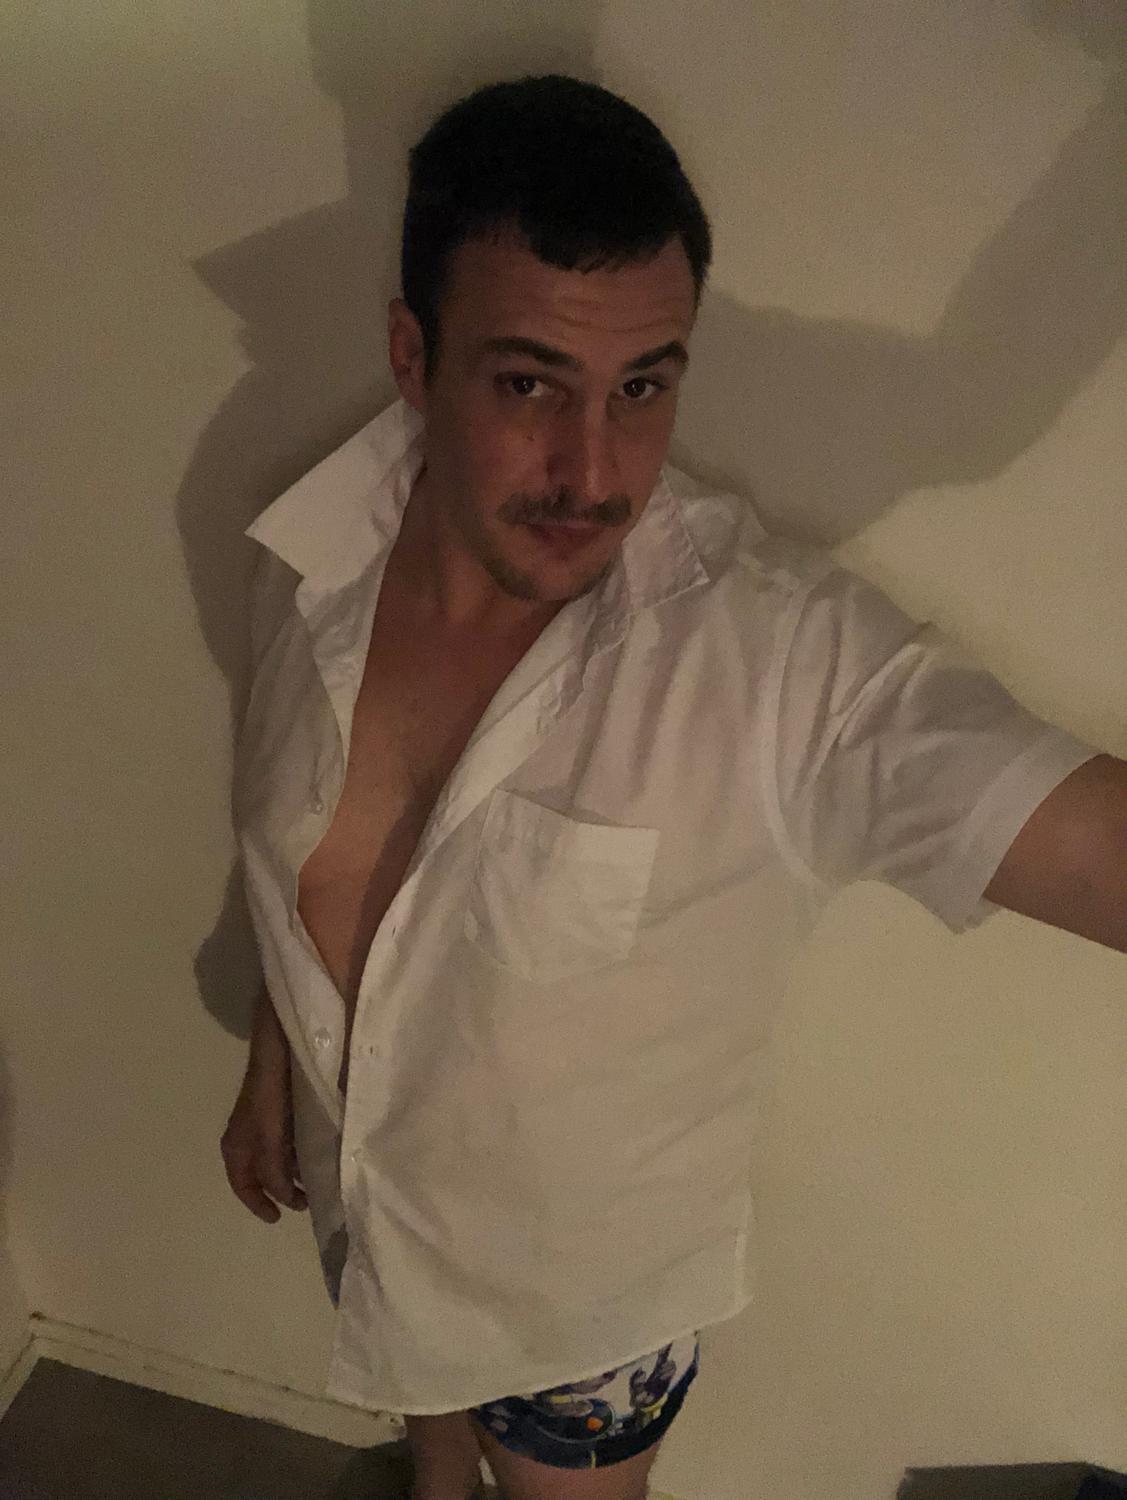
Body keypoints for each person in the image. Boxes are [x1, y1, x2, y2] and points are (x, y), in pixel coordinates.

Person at [220, 75, 1126, 1500]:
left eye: (643, 386)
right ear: (412, 354)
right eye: (530, 383)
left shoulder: (779, 663)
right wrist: (274, 1054)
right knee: (425, 1442)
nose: (595, 471)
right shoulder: (303, 556)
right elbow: (303, 859)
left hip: (572, 1316)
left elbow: (1092, 848)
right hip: (366, 1207)